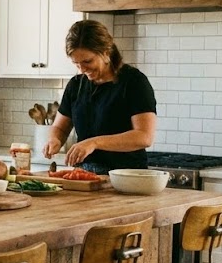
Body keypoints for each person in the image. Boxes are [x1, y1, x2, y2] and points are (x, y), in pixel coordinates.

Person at [43, 19, 157, 173]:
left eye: (87, 61)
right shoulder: (76, 85)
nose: (82, 69)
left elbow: (144, 136)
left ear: (106, 52)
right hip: (84, 174)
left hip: (125, 177)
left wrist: (94, 143)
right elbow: (59, 127)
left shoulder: (134, 82)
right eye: (76, 63)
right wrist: (54, 139)